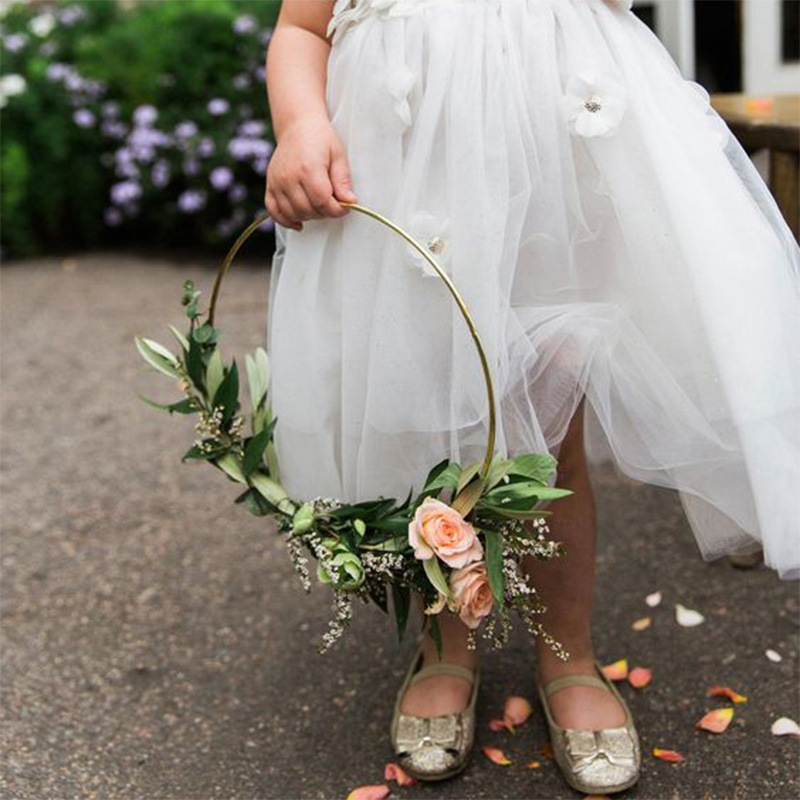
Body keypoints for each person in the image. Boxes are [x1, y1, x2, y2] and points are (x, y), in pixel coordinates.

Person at [264, 0, 800, 793]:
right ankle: (446, 644)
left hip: (551, 176)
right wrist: (302, 124)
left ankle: (568, 653)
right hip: (404, 174)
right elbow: (301, 28)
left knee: (549, 433)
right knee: (429, 428)